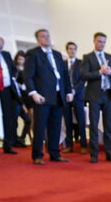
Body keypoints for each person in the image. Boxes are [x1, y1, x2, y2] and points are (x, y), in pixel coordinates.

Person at [24, 28, 73, 165]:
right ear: (38, 39)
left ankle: (54, 153)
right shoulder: (33, 54)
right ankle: (37, 155)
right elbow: (28, 76)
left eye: (48, 36)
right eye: (43, 36)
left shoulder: (58, 55)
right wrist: (33, 93)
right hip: (42, 96)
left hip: (58, 95)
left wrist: (68, 92)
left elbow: (64, 76)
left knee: (56, 126)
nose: (47, 38)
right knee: (40, 127)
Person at [81, 31, 111, 163]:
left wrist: (110, 73)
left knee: (108, 126)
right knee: (93, 125)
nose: (102, 44)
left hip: (108, 94)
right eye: (99, 41)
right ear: (94, 41)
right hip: (94, 95)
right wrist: (99, 72)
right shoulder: (88, 57)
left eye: (104, 42)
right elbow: (84, 75)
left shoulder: (110, 57)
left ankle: (109, 153)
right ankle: (94, 154)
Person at [63, 41, 86, 154]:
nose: (72, 51)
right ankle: (69, 145)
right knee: (67, 121)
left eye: (74, 49)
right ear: (67, 50)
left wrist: (74, 90)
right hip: (66, 96)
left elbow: (83, 79)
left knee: (81, 120)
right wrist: (67, 91)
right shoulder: (62, 63)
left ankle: (83, 145)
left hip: (78, 95)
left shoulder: (81, 63)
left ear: (76, 51)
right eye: (70, 49)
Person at [13, 50, 32, 147]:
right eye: (19, 59)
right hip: (15, 99)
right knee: (14, 121)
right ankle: (15, 139)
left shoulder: (26, 70)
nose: (20, 61)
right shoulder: (13, 70)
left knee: (28, 120)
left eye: (22, 59)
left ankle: (21, 138)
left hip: (25, 98)